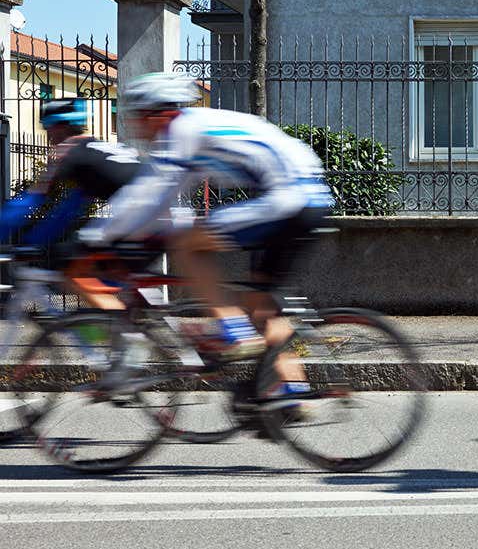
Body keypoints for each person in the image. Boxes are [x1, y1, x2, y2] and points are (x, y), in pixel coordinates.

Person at [81, 73, 333, 402]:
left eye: (137, 115)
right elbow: (168, 196)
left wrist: (98, 234)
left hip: (286, 199)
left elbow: (148, 194)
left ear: (159, 113)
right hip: (310, 198)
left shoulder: (181, 130)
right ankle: (292, 393)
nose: (132, 123)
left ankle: (233, 329)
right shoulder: (200, 128)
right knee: (263, 307)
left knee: (185, 245)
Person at [0, 98, 142, 312]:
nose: (48, 136)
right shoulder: (96, 150)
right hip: (152, 213)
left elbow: (32, 200)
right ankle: (126, 326)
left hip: (138, 214)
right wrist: (36, 241)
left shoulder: (65, 153)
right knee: (101, 271)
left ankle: (130, 339)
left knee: (72, 269)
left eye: (48, 128)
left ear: (60, 126)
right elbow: (70, 207)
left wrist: (19, 238)